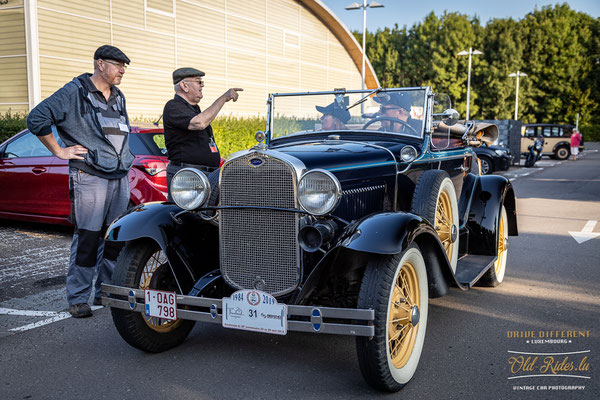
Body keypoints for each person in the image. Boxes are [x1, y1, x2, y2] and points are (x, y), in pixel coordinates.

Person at [26, 45, 133, 318]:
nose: (122, 70)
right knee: (87, 238)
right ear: (100, 64)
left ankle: (105, 291)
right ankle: (77, 298)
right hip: (90, 175)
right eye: (118, 64)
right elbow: (37, 119)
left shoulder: (118, 96)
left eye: (125, 66)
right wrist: (59, 151)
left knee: (114, 238)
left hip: (119, 176)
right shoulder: (74, 92)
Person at [163, 67, 243, 199]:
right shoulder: (173, 106)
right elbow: (199, 123)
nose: (202, 85)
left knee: (207, 217)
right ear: (184, 86)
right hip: (188, 178)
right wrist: (223, 98)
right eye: (198, 81)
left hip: (202, 176)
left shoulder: (192, 109)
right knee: (190, 217)